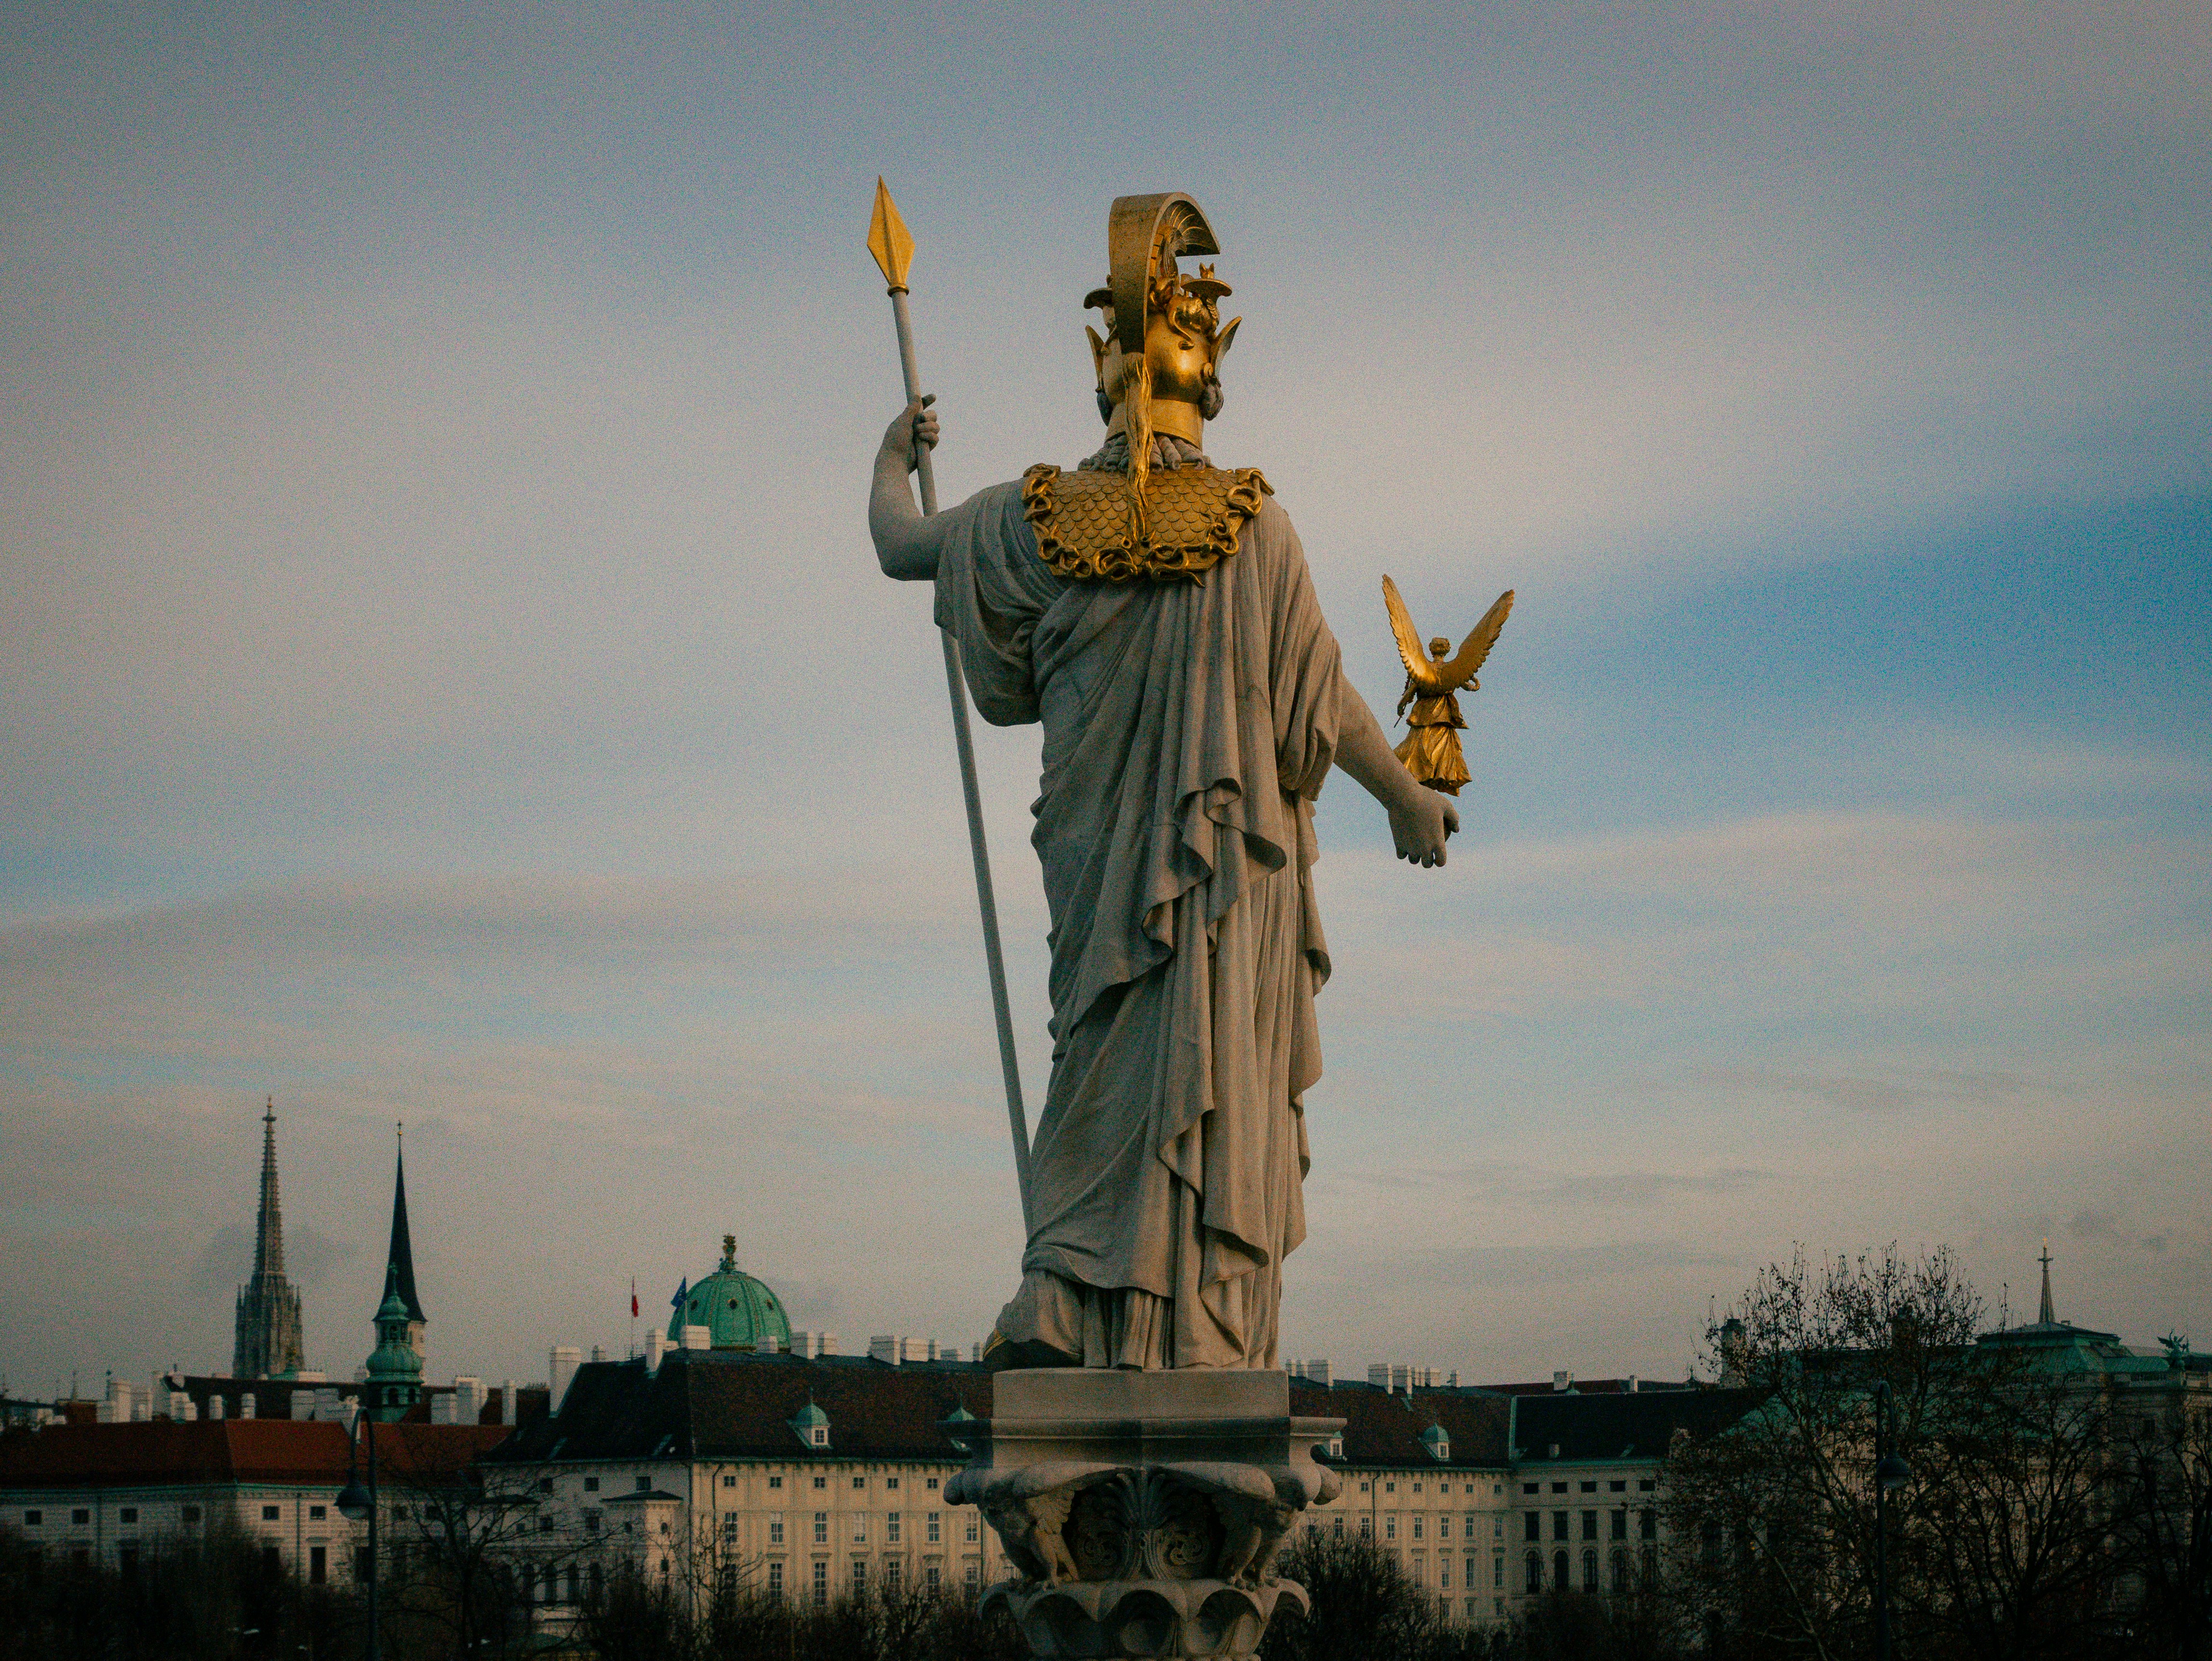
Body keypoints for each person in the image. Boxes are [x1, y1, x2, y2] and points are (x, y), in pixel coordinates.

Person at [867, 195, 1455, 1371]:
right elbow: (1322, 698)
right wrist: (1401, 794)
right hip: (1218, 888)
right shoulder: (1254, 530)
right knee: (1203, 1067)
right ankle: (1193, 1322)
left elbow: (898, 542)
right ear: (1205, 383)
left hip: (1095, 869)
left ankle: (1061, 1290)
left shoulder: (1035, 519)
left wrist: (894, 456)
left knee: (1098, 1041)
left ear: (1107, 380)